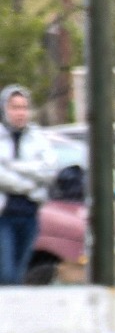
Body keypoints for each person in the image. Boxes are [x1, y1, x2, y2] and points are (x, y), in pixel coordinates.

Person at [0, 85, 54, 286]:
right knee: (6, 274)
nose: (20, 113)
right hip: (4, 217)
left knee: (20, 273)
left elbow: (48, 170)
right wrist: (28, 185)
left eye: (24, 107)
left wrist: (15, 166)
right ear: (5, 109)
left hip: (29, 214)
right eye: (15, 107)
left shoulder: (37, 138)